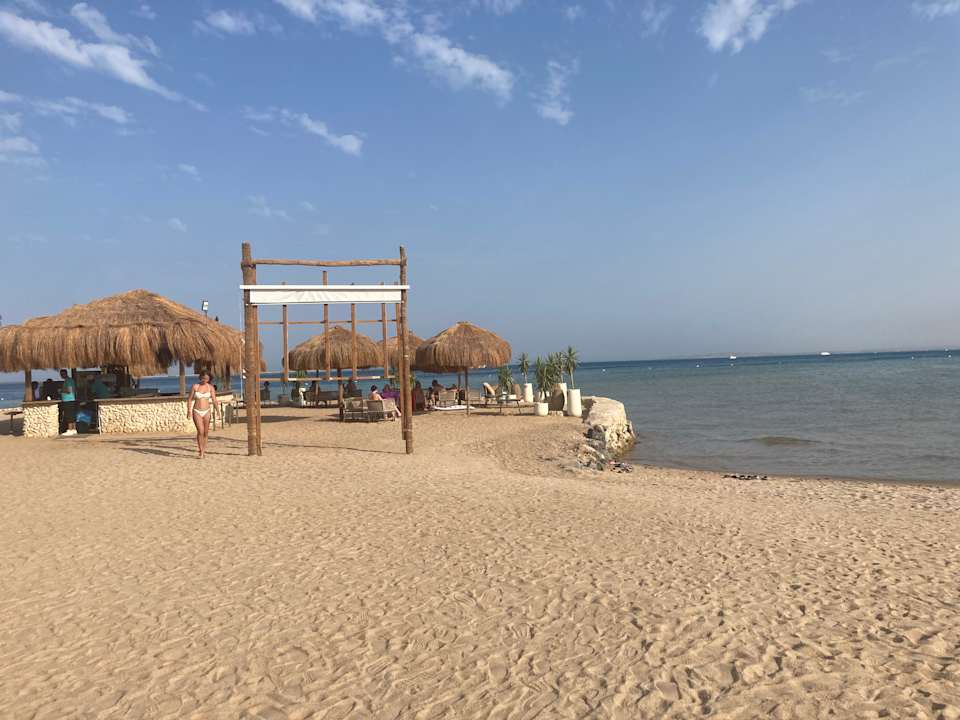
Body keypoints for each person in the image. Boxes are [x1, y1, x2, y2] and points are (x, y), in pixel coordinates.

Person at [187, 370, 218, 459]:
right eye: (204, 378)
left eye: (207, 378)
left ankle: (203, 450)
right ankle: (201, 451)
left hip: (207, 411)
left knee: (206, 432)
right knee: (200, 431)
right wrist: (189, 411)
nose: (205, 380)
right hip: (196, 411)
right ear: (200, 377)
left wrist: (218, 411)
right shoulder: (195, 386)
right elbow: (189, 399)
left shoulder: (210, 387)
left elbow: (214, 400)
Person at [59, 369, 77, 436]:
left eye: (62, 374)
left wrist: (61, 390)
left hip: (68, 400)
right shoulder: (69, 380)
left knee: (69, 415)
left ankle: (70, 429)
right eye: (61, 374)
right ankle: (74, 429)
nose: (61, 375)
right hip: (70, 400)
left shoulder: (68, 381)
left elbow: (69, 390)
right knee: (72, 415)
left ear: (65, 374)